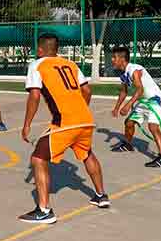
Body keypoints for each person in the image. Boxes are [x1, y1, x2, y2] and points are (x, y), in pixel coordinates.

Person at [19, 33, 109, 224]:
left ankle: (44, 211)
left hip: (65, 122)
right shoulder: (71, 64)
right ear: (57, 49)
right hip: (85, 119)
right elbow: (87, 91)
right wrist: (79, 112)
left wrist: (26, 124)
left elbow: (34, 96)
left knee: (38, 158)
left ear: (40, 49)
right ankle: (101, 196)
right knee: (87, 154)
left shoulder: (37, 64)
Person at [110, 46, 161, 168]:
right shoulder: (123, 74)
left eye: (114, 57)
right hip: (143, 101)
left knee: (153, 127)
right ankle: (127, 144)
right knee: (129, 123)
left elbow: (140, 89)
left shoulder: (134, 69)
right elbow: (123, 92)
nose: (112, 60)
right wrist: (117, 108)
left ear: (122, 59)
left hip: (155, 100)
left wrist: (128, 105)